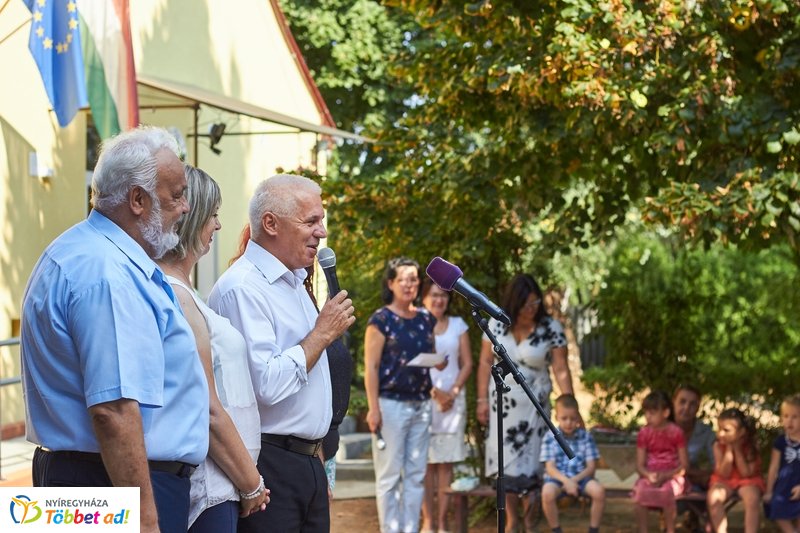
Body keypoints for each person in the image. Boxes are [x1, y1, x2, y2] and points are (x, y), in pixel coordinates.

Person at [20, 126, 209, 533]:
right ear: (137, 200)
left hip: (90, 479)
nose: (186, 206)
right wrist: (143, 519)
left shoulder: (84, 252)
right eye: (176, 194)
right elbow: (113, 410)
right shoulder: (109, 274)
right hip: (113, 485)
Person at [209, 174, 355, 533]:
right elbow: (268, 385)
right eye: (311, 222)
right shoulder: (243, 289)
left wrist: (315, 459)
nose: (321, 233)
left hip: (308, 461)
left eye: (321, 221)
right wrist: (321, 334)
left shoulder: (293, 282)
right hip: (269, 465)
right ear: (270, 223)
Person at [157, 165, 269, 531]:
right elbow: (206, 407)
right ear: (192, 218)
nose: (218, 226)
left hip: (224, 484)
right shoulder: (174, 295)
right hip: (211, 486)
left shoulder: (187, 292)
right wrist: (251, 482)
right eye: (214, 215)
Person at [476, 273, 576, 533]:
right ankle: (511, 521)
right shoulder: (497, 324)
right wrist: (480, 401)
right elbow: (486, 362)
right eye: (526, 304)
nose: (531, 309)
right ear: (514, 302)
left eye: (535, 303)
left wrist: (571, 405)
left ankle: (530, 522)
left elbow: (561, 369)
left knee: (533, 465)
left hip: (536, 408)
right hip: (503, 408)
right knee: (505, 464)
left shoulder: (551, 327)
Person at [364, 257, 437, 533]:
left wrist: (436, 361)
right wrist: (373, 408)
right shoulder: (381, 320)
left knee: (416, 475)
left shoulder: (426, 318)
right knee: (389, 476)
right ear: (391, 283)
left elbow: (427, 354)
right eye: (403, 279)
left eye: (414, 279)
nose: (409, 284)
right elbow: (370, 366)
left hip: (422, 403)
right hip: (390, 405)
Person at [420, 279, 473, 533]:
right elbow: (414, 363)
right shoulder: (417, 324)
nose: (439, 299)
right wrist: (434, 393)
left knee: (445, 465)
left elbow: (468, 363)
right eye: (434, 295)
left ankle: (442, 523)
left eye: (443, 295)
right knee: (426, 465)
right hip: (423, 401)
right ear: (424, 297)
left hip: (453, 403)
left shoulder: (459, 326)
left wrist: (451, 393)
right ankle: (428, 522)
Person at [540, 394, 605, 533]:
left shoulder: (586, 436)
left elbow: (591, 467)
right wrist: (566, 481)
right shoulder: (549, 437)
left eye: (573, 418)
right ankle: (556, 529)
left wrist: (574, 481)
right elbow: (550, 468)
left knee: (599, 492)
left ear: (578, 417)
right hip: (557, 478)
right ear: (556, 417)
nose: (569, 422)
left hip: (581, 478)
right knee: (547, 493)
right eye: (564, 418)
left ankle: (593, 530)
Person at [631, 390, 688, 533]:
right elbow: (639, 465)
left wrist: (666, 475)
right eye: (646, 412)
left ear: (665, 413)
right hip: (650, 475)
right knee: (641, 491)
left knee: (667, 491)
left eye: (652, 413)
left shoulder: (676, 432)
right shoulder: (644, 433)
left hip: (673, 475)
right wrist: (648, 475)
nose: (648, 416)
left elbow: (684, 466)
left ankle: (670, 529)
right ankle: (643, 530)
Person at [707, 408, 765, 533]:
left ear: (741, 432)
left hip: (748, 480)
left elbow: (746, 473)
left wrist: (737, 450)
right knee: (714, 496)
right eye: (719, 429)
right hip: (724, 480)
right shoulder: (717, 446)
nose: (720, 434)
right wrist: (728, 451)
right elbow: (723, 473)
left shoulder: (751, 446)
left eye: (726, 430)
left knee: (752, 498)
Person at [764, 393, 800, 532]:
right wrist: (768, 491)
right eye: (785, 416)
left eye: (794, 417)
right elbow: (773, 466)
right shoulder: (780, 442)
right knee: (777, 506)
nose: (789, 421)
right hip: (785, 485)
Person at [673, 384, 716, 491]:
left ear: (698, 407)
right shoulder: (661, 429)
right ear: (673, 402)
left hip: (696, 485)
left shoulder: (706, 432)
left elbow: (716, 464)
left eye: (692, 404)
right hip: (666, 482)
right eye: (682, 402)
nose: (687, 408)